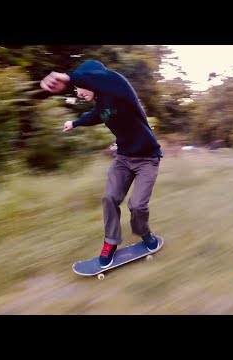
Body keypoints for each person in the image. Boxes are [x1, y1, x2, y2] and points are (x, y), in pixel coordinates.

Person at [40, 60, 163, 268]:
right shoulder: (102, 104)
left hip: (147, 159)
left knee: (137, 205)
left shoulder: (119, 88)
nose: (78, 92)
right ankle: (110, 242)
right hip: (124, 159)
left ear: (93, 78)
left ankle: (144, 233)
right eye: (76, 89)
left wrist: (70, 77)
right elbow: (94, 116)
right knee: (109, 198)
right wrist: (75, 123)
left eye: (79, 87)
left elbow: (105, 78)